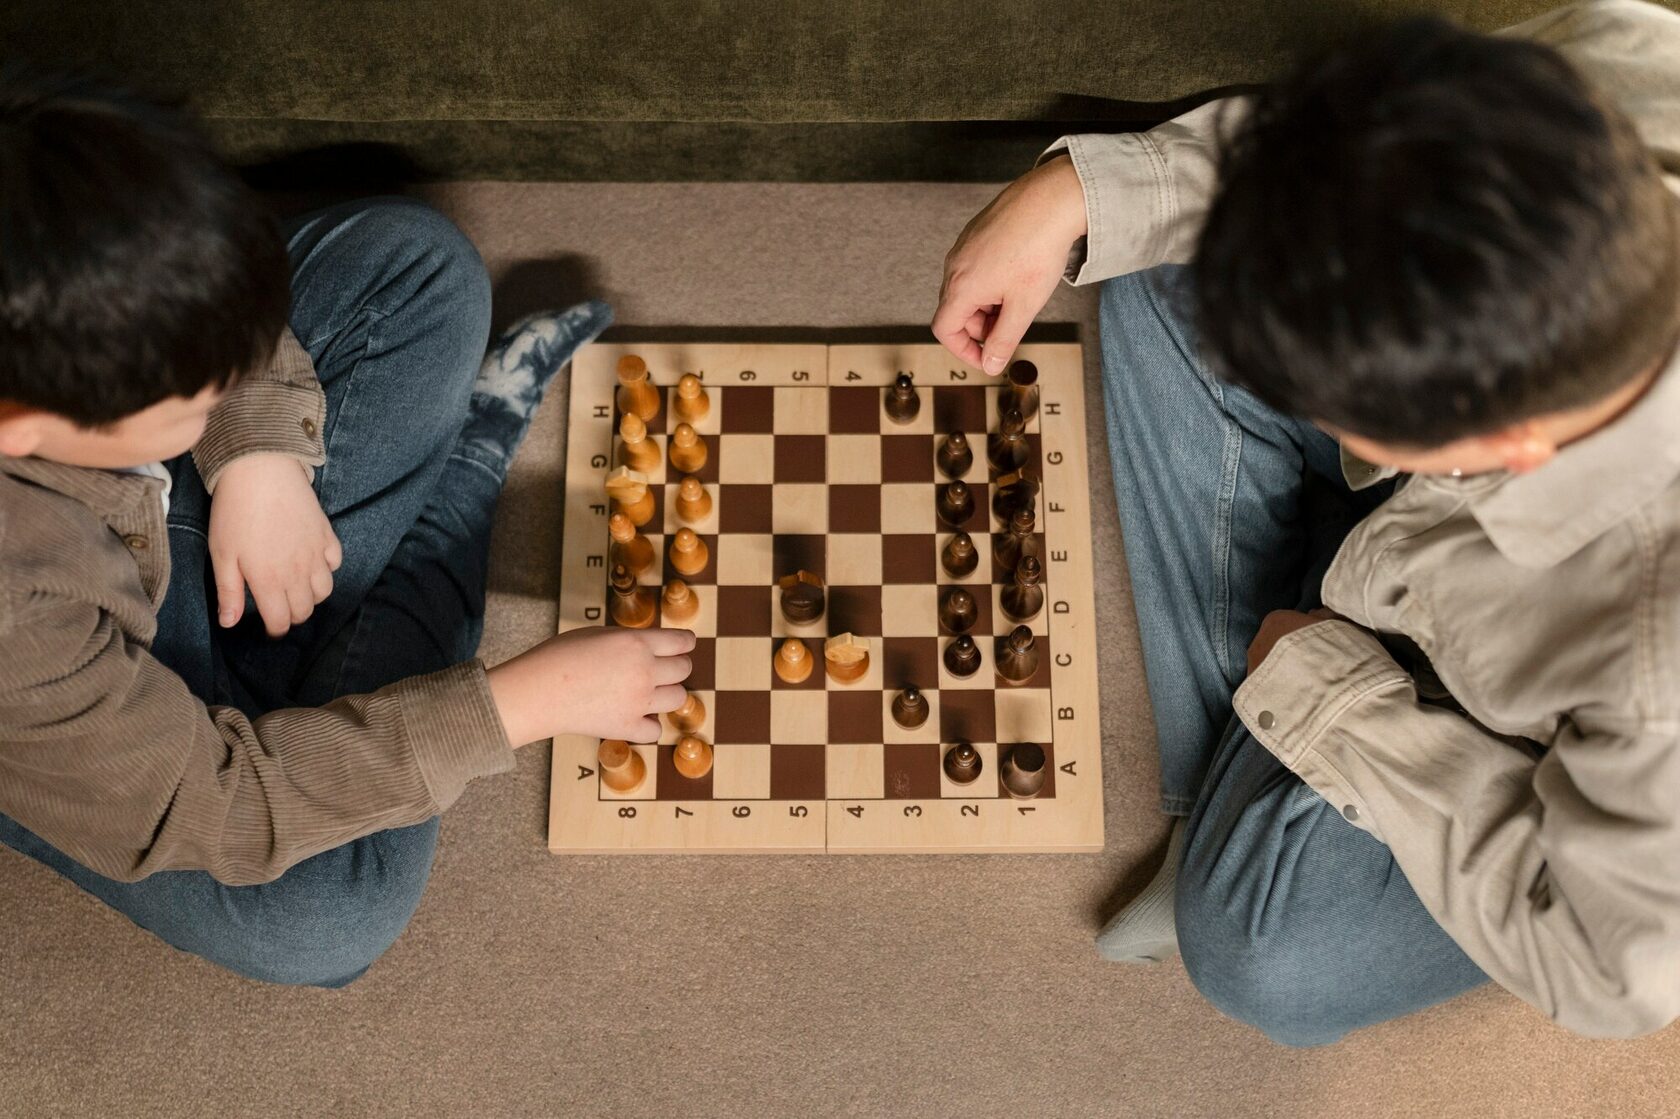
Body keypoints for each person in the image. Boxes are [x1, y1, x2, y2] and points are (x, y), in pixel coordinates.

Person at [934, 0, 1680, 1045]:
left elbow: (1611, 971)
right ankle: (1231, 793)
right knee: (1170, 254)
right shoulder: (1630, 59)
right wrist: (1080, 191)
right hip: (1442, 538)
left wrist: (1335, 705)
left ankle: (1236, 792)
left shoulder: (1658, 691)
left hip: (1543, 744)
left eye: (1346, 411)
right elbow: (1333, 151)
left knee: (1259, 955)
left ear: (1505, 440)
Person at [0, 70, 695, 986]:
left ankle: (291, 692)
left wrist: (252, 447)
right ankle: (464, 479)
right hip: (77, 723)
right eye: (201, 397)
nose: (230, 384)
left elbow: (223, 305)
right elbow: (214, 807)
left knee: (417, 266)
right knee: (325, 915)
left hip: (123, 514)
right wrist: (518, 706)